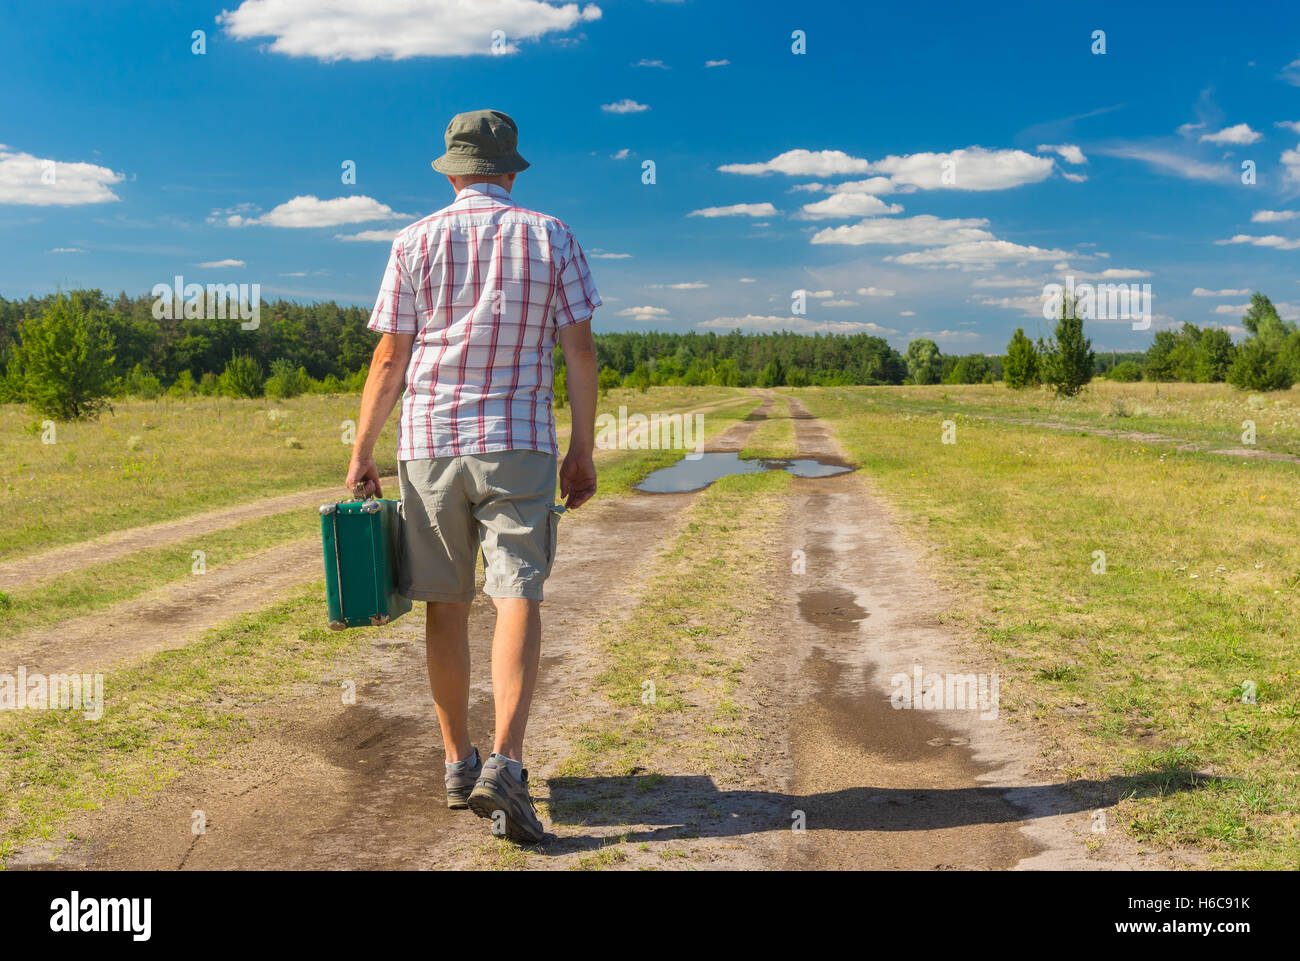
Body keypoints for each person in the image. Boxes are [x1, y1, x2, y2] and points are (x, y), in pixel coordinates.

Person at [345, 109, 601, 844]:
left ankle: (460, 760)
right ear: (513, 172)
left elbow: (389, 358)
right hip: (517, 440)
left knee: (444, 601)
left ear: (452, 172)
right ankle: (509, 765)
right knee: (517, 589)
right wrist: (581, 447)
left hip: (429, 444)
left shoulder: (413, 240)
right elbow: (578, 351)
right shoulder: (552, 235)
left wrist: (363, 449)